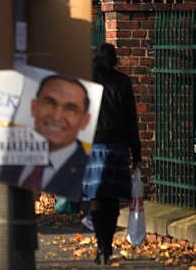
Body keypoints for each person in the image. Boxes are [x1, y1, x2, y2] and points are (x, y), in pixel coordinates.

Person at [0, 74, 92, 201]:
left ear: (85, 121)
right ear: (34, 107)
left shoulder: (86, 172)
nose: (57, 117)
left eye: (71, 109)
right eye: (49, 103)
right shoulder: (0, 159)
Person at [83, 43, 141, 265]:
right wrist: (136, 152)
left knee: (96, 196)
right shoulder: (123, 82)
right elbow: (131, 120)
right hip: (117, 146)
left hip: (94, 144)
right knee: (112, 198)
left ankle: (101, 245)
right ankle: (108, 243)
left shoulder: (88, 82)